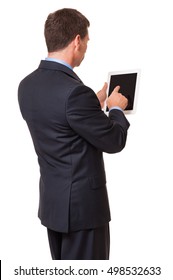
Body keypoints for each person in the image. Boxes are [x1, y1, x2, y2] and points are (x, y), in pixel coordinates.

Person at [18, 8, 130, 260]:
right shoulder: (75, 94)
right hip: (83, 213)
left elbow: (62, 127)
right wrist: (114, 110)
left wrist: (93, 103)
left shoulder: (26, 86)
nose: (87, 49)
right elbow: (114, 140)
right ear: (77, 40)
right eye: (87, 42)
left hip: (53, 207)